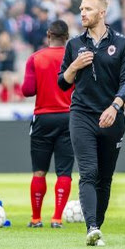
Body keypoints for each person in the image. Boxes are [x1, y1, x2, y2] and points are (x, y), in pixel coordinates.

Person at [58, 0, 125, 246]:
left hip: (112, 116)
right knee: (88, 172)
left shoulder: (122, 43)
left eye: (88, 9)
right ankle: (91, 227)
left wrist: (115, 106)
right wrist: (74, 66)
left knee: (105, 177)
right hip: (81, 115)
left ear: (102, 13)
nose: (82, 13)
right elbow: (62, 83)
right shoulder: (74, 45)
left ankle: (96, 224)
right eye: (81, 9)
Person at [21, 20, 74, 228]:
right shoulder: (73, 59)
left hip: (43, 118)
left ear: (48, 34)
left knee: (39, 171)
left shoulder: (35, 58)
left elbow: (27, 90)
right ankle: (57, 218)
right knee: (64, 171)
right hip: (68, 117)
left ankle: (36, 218)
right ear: (67, 37)